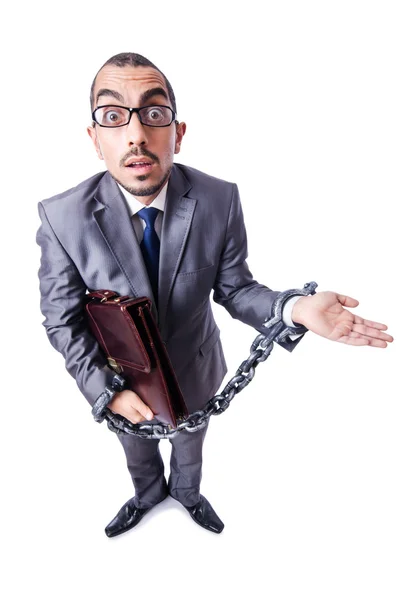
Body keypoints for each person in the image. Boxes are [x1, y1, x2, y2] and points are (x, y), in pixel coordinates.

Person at [36, 52, 393, 537]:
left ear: (177, 133)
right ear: (95, 140)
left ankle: (186, 493)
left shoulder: (219, 199)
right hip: (122, 381)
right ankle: (147, 496)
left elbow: (236, 288)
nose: (136, 134)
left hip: (196, 370)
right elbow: (62, 319)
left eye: (154, 114)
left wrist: (294, 308)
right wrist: (105, 392)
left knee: (191, 445)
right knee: (136, 449)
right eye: (113, 116)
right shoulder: (62, 218)